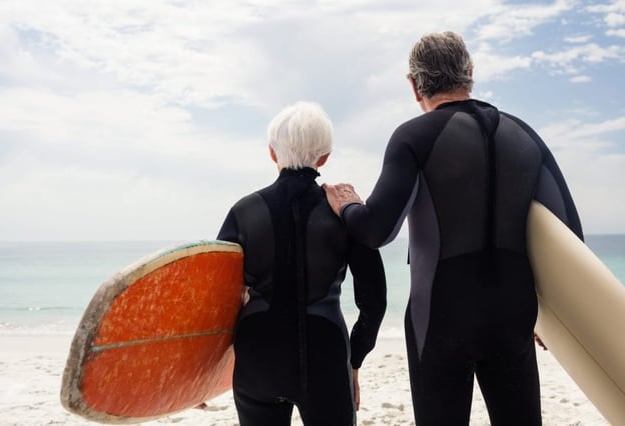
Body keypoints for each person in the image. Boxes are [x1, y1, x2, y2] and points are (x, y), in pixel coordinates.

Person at [323, 32, 583, 426]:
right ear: (471, 73)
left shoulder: (413, 137)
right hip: (512, 314)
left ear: (414, 86)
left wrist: (348, 206)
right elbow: (570, 238)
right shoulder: (525, 136)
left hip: (440, 318)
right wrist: (556, 318)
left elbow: (377, 230)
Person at [217, 101, 387, 426]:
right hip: (325, 354)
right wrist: (355, 358)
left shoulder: (243, 211)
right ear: (324, 157)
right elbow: (374, 299)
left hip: (257, 356)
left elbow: (216, 297)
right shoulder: (343, 210)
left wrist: (201, 370)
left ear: (271, 152)